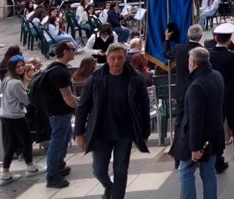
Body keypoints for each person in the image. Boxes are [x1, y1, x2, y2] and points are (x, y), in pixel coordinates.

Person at [74, 44, 150, 199]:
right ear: (107, 59)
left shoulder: (135, 79)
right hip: (101, 132)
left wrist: (145, 132)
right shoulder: (95, 79)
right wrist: (79, 133)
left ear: (125, 59)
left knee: (121, 170)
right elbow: (82, 107)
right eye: (112, 58)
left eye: (120, 58)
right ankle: (109, 187)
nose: (116, 62)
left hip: (125, 132)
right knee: (98, 169)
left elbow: (144, 108)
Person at [172, 47, 225, 199]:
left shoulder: (197, 85)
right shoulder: (216, 75)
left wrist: (195, 147)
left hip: (200, 138)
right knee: (208, 173)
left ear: (194, 62)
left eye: (189, 60)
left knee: (185, 171)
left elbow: (196, 118)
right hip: (215, 133)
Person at [208, 23, 234, 173]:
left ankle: (217, 160)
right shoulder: (232, 57)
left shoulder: (209, 55)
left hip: (215, 96)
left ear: (215, 38)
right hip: (232, 95)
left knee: (217, 128)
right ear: (229, 39)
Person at [164, 24, 203, 169]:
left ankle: (178, 155)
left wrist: (167, 39)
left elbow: (166, 53)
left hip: (181, 91)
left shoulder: (178, 48)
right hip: (197, 92)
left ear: (188, 35)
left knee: (179, 123)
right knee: (196, 121)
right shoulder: (201, 51)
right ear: (200, 36)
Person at [43, 41, 79, 188]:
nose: (75, 51)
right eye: (73, 49)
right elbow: (69, 99)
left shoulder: (56, 68)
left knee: (64, 138)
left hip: (59, 111)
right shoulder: (60, 72)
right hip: (59, 113)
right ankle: (52, 176)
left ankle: (58, 166)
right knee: (57, 142)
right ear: (65, 51)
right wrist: (82, 107)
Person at [1, 55, 41, 182]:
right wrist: (30, 90)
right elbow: (25, 100)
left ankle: (5, 172)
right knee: (27, 139)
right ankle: (30, 167)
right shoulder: (16, 82)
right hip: (15, 116)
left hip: (6, 114)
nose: (21, 68)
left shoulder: (7, 79)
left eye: (22, 65)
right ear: (12, 68)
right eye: (17, 67)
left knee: (12, 143)